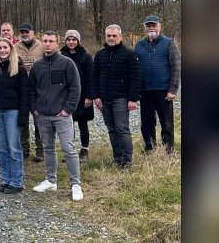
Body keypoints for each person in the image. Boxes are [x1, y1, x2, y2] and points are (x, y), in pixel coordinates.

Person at [30, 31, 84, 201]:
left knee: (69, 149)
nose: (47, 44)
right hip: (42, 115)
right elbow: (31, 89)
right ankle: (50, 180)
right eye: (45, 41)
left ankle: (75, 184)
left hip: (62, 115)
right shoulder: (37, 66)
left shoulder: (67, 63)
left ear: (57, 43)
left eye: (51, 41)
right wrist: (35, 109)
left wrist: (68, 109)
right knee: (48, 148)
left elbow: (75, 88)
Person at [0, 38, 30, 194]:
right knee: (1, 148)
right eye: (0, 48)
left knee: (14, 147)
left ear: (11, 49)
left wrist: (23, 116)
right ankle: (6, 179)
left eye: (5, 47)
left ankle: (17, 181)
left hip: (12, 113)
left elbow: (25, 95)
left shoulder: (19, 69)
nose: (2, 50)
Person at [92, 24, 142, 168]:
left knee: (122, 128)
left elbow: (136, 77)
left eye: (114, 36)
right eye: (109, 36)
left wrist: (133, 99)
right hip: (104, 99)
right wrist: (96, 96)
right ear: (105, 37)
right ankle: (117, 158)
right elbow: (94, 77)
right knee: (111, 129)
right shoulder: (100, 55)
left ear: (120, 37)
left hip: (121, 98)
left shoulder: (129, 54)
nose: (111, 38)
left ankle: (127, 161)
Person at [134, 15, 181, 156]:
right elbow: (135, 67)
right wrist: (135, 89)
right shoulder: (139, 44)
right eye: (148, 25)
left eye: (154, 25)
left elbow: (177, 67)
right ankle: (149, 147)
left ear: (159, 26)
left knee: (166, 122)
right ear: (145, 28)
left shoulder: (169, 43)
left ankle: (168, 150)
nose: (151, 28)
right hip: (145, 90)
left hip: (163, 90)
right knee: (147, 123)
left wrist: (173, 89)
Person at [60, 30, 94, 162]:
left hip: (83, 96)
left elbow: (91, 77)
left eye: (74, 40)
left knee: (83, 123)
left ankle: (85, 149)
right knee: (68, 125)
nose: (71, 42)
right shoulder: (62, 55)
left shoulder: (86, 56)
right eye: (69, 39)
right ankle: (71, 151)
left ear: (78, 41)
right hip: (67, 96)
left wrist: (89, 96)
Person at [15, 23, 45, 162]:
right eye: (22, 32)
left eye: (27, 32)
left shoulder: (41, 46)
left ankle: (41, 149)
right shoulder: (16, 47)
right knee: (23, 120)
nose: (24, 34)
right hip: (21, 88)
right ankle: (24, 149)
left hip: (38, 88)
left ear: (33, 32)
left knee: (39, 119)